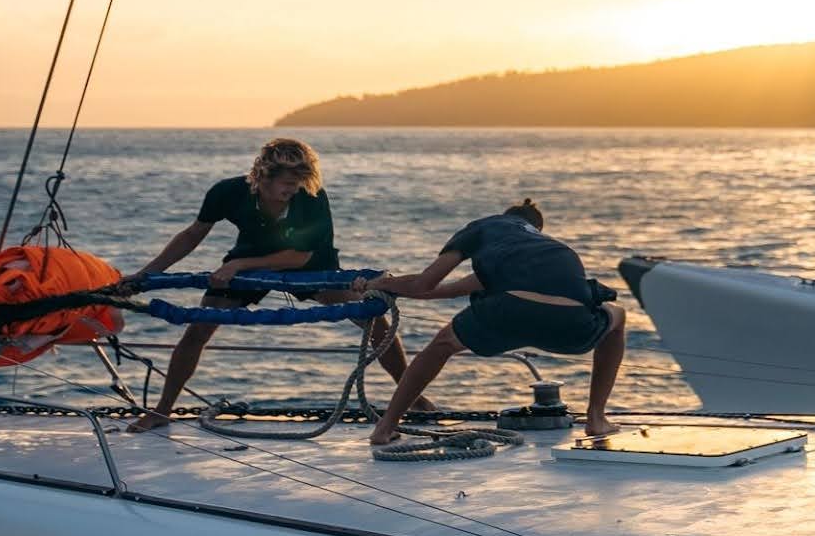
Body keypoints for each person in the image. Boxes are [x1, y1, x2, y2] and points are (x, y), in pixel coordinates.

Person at [124, 138, 430, 432]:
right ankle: (162, 411)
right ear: (262, 177)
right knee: (199, 328)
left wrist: (239, 265)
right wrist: (145, 275)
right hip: (249, 259)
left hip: (310, 265)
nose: (293, 189)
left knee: (374, 319)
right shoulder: (228, 192)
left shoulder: (311, 196)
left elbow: (299, 257)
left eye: (299, 182)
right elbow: (192, 235)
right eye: (287, 183)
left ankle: (412, 398)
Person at [362, 198, 625, 446]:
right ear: (538, 228)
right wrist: (391, 286)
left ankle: (385, 428)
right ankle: (596, 418)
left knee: (441, 345)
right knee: (619, 316)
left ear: (504, 217)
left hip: (509, 310)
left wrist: (380, 283)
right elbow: (446, 289)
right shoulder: (547, 246)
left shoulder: (484, 228)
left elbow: (425, 285)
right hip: (572, 323)